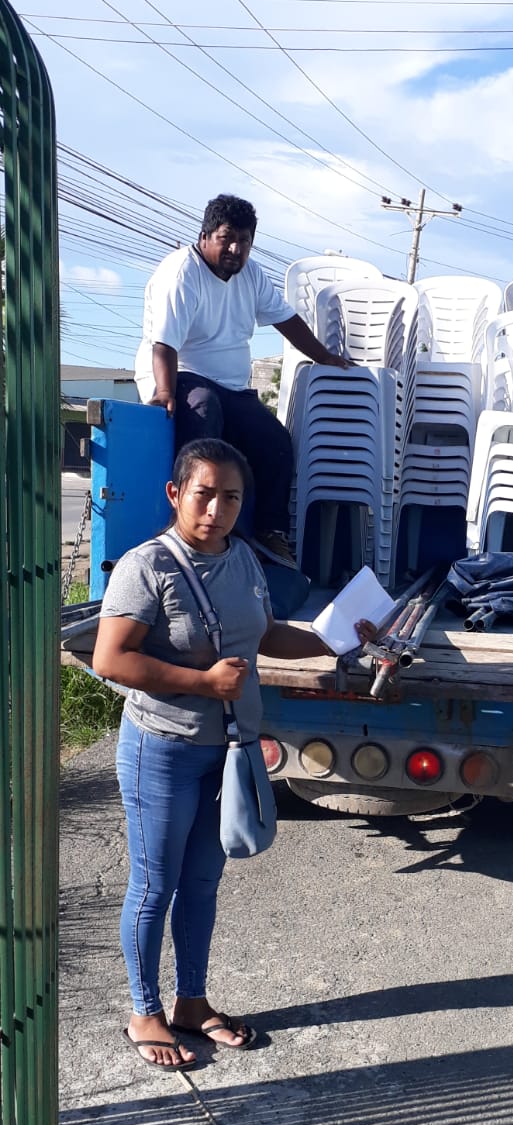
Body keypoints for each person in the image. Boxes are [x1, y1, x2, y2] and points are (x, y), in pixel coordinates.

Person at [93, 437, 373, 1073]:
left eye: (231, 497)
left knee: (201, 881)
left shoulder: (242, 557)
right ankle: (144, 1011)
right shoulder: (148, 566)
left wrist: (334, 641)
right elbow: (112, 658)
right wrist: (201, 683)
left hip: (228, 752)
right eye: (204, 494)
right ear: (176, 494)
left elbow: (263, 633)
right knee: (154, 883)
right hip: (162, 747)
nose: (216, 509)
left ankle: (191, 1003)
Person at [134, 193, 352, 564]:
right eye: (227, 238)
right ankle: (187, 527)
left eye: (244, 241)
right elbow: (164, 343)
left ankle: (270, 532)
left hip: (232, 387)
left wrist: (325, 357)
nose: (236, 248)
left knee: (275, 441)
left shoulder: (251, 275)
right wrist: (165, 390)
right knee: (202, 410)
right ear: (205, 237)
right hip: (183, 374)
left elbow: (286, 320)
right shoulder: (181, 273)